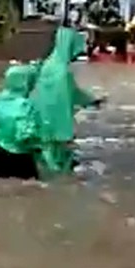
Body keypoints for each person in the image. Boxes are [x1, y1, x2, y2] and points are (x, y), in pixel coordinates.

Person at [31, 26, 103, 177]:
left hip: (41, 120)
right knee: (57, 167)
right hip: (55, 123)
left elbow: (72, 91)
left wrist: (91, 100)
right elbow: (72, 94)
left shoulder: (49, 64)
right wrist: (92, 101)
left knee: (46, 156)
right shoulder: (62, 71)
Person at [0, 63, 42, 180]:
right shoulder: (26, 105)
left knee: (0, 181)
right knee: (29, 189)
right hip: (20, 154)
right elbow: (25, 134)